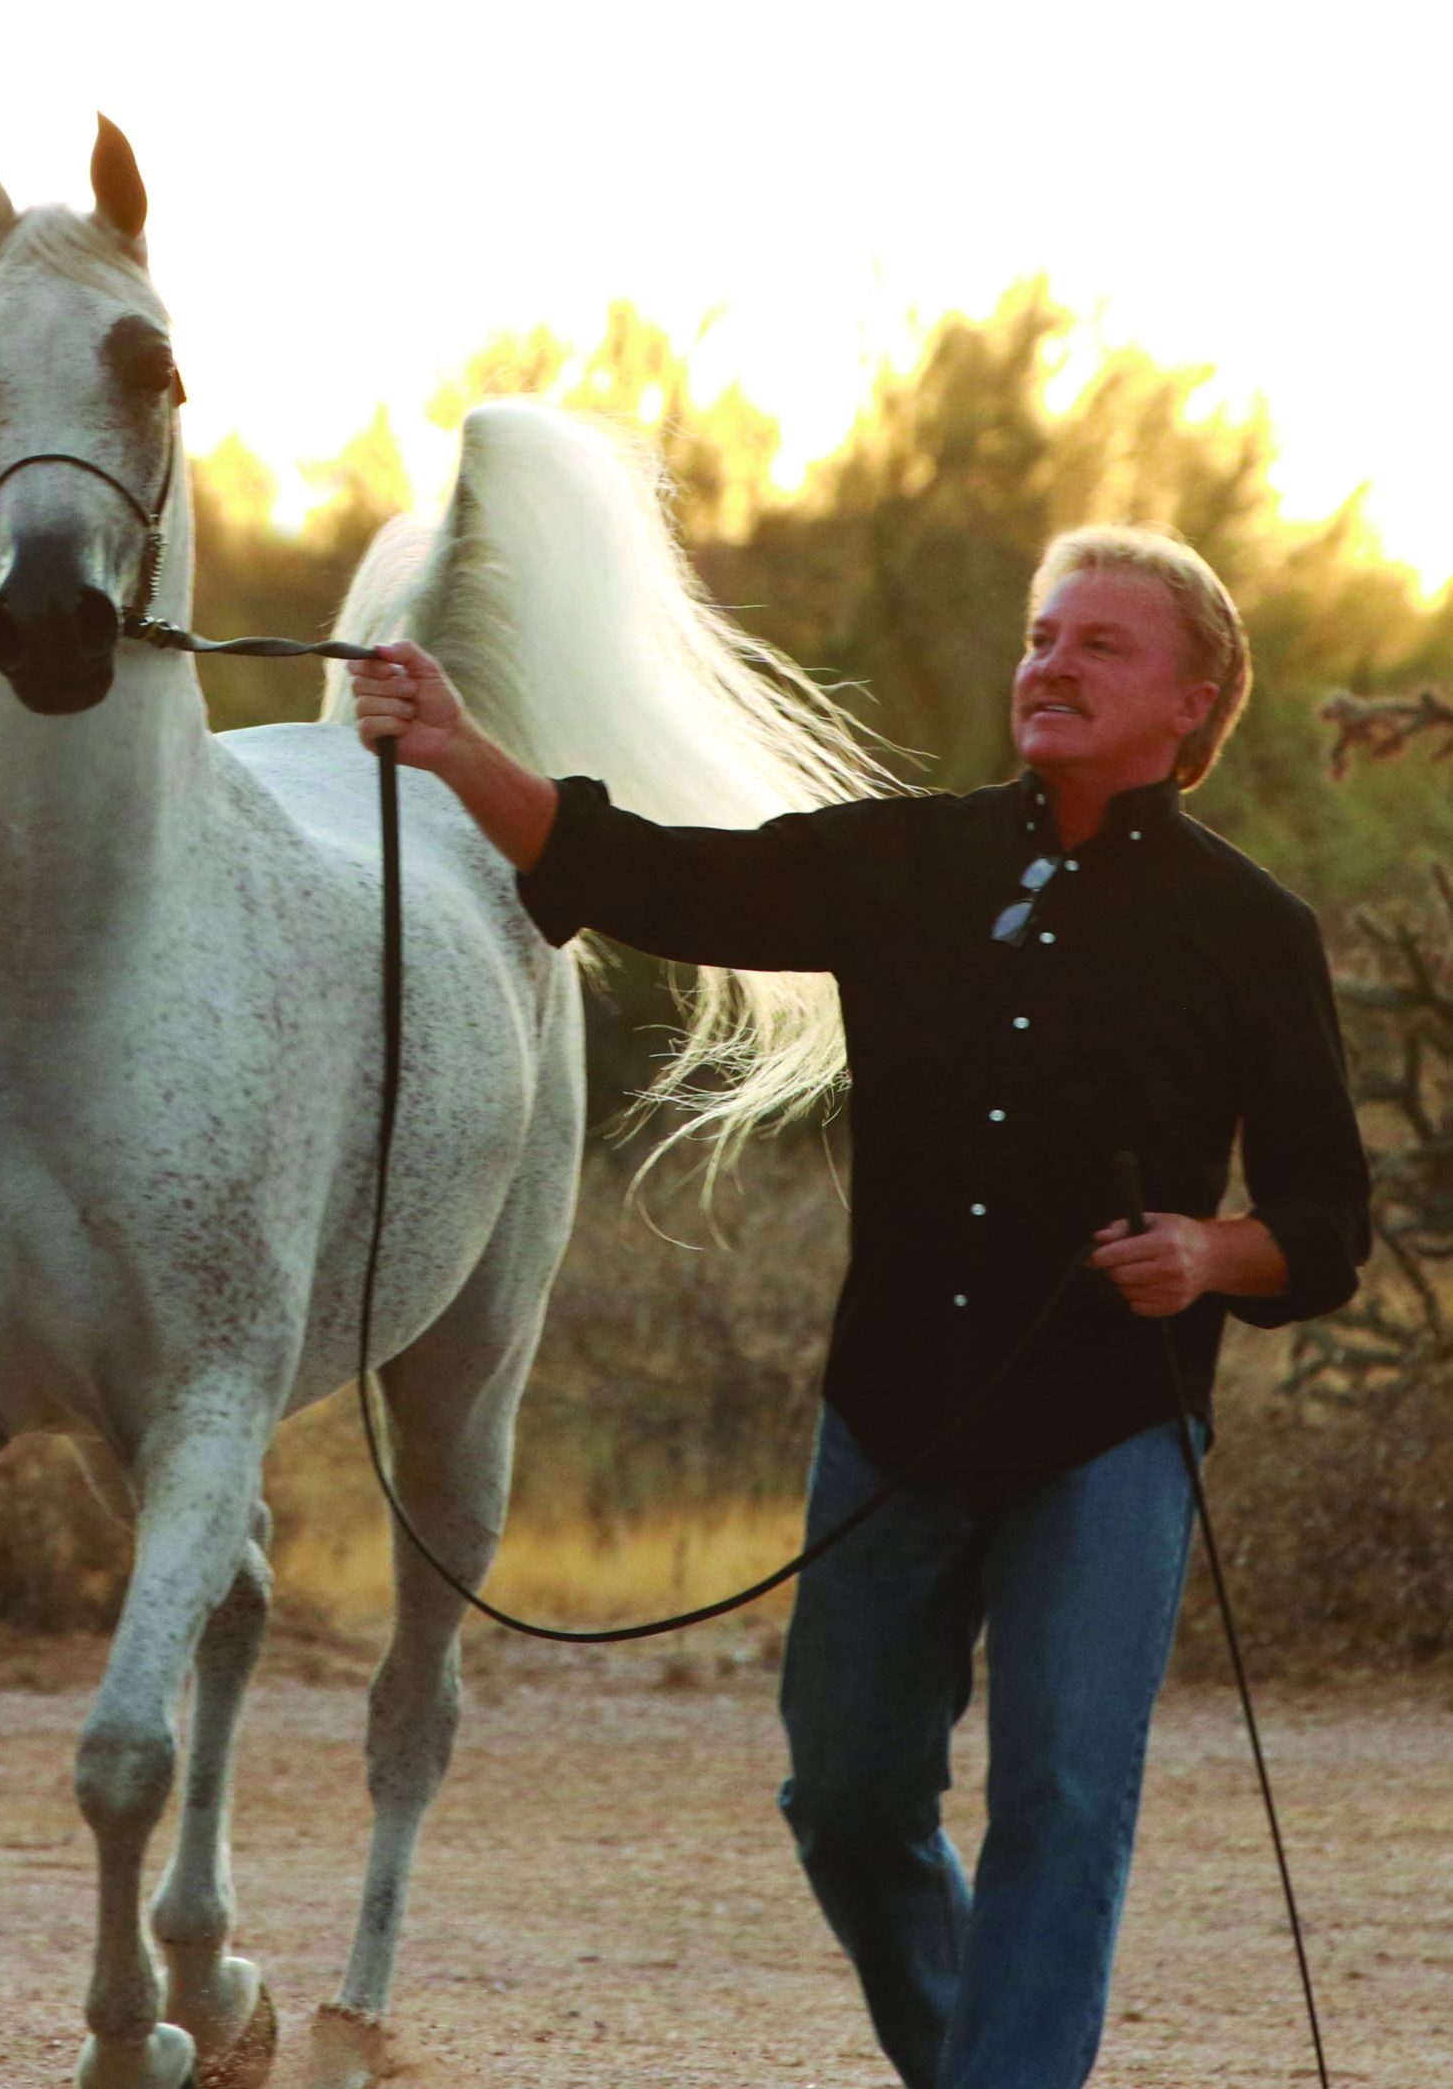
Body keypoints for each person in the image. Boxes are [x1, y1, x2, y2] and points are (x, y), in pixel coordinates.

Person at [346, 523, 1369, 2089]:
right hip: (894, 1415)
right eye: (1043, 635)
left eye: (1102, 644)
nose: (1051, 664)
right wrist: (456, 748)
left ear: (1196, 703)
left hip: (1110, 1431)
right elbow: (657, 876)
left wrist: (1211, 1253)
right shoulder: (910, 860)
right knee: (845, 1794)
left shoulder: (1253, 931)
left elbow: (1325, 1226)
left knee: (1063, 1801)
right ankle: (973, 2056)